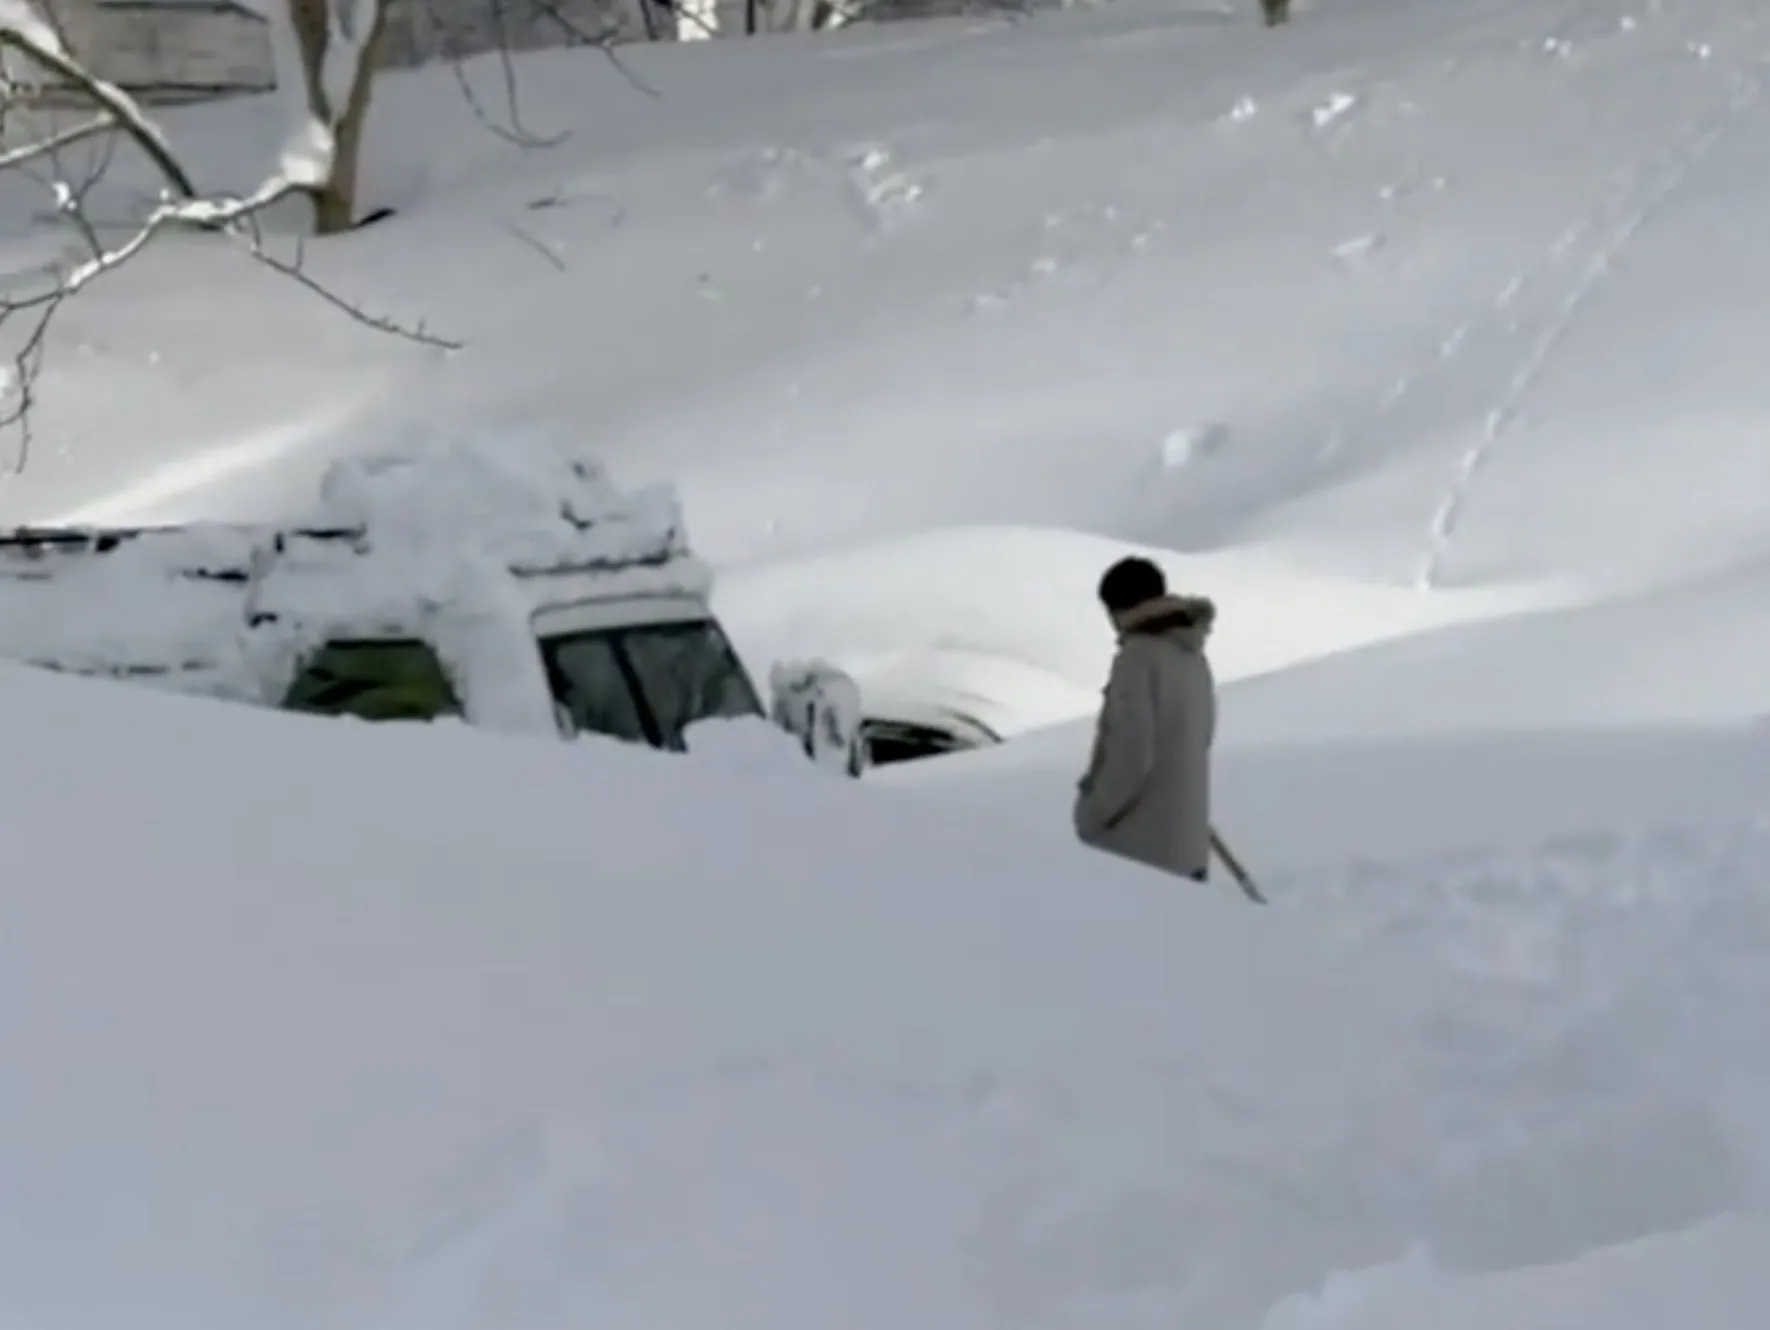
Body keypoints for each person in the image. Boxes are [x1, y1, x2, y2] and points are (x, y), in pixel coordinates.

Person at [1073, 556, 1217, 881]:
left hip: (1139, 857)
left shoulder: (1136, 658)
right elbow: (1202, 738)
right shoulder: (1193, 655)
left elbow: (1131, 753)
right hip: (1187, 851)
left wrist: (1092, 815)